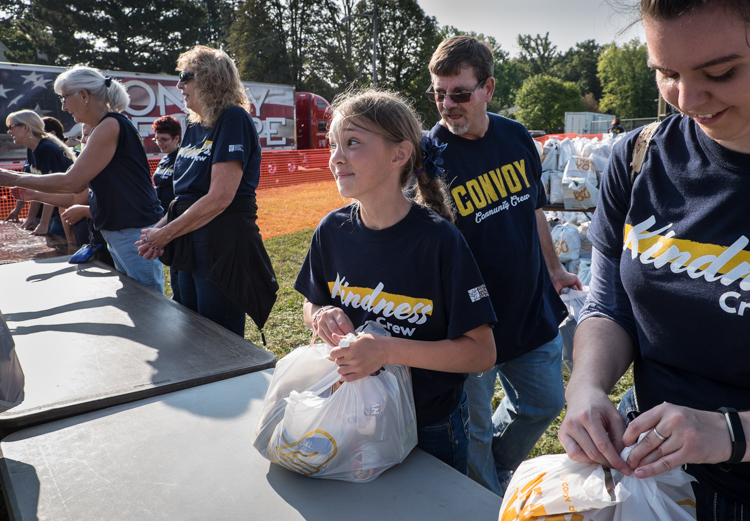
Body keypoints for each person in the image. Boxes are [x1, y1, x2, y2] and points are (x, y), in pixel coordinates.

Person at [558, 0, 750, 518]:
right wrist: (587, 388)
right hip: (656, 477)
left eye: (721, 72)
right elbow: (609, 305)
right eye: (666, 73)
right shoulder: (639, 155)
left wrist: (730, 430)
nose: (687, 99)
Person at [294, 89, 497, 473]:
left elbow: (481, 353)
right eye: (332, 144)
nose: (336, 157)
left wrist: (385, 351)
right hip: (353, 412)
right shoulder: (331, 231)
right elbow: (311, 302)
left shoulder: (439, 241)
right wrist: (320, 316)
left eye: (352, 143)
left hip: (429, 426)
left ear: (399, 154)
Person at [425, 36, 582, 497]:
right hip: (470, 323)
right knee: (470, 431)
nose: (447, 105)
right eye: (439, 93)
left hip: (531, 305)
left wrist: (553, 271)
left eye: (459, 93)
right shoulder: (427, 157)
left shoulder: (516, 137)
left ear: (488, 88)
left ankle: (493, 470)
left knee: (544, 403)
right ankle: (487, 501)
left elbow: (534, 210)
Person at [136, 46, 277, 337]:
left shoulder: (233, 118)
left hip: (219, 243)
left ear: (210, 79)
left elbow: (219, 198)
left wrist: (166, 233)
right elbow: (185, 197)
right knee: (189, 327)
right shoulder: (194, 124)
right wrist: (158, 229)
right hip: (189, 241)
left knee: (218, 338)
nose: (179, 85)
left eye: (186, 77)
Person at [0, 67, 164, 293]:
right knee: (141, 302)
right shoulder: (106, 126)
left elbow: (72, 181)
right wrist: (33, 191)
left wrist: (12, 177)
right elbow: (79, 192)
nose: (64, 107)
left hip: (131, 232)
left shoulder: (109, 125)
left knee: (148, 305)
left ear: (84, 95)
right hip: (124, 231)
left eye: (65, 98)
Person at [3, 110, 74, 239]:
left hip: (67, 212)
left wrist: (44, 223)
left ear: (25, 127)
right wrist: (31, 218)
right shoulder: (33, 149)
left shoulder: (46, 149)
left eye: (11, 127)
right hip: (60, 211)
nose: (9, 132)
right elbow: (37, 187)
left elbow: (52, 189)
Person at [150, 115, 182, 303]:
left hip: (177, 221)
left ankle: (180, 301)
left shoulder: (182, 158)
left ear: (177, 138)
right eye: (157, 138)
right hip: (162, 220)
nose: (159, 143)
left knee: (177, 267)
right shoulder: (164, 159)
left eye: (164, 139)